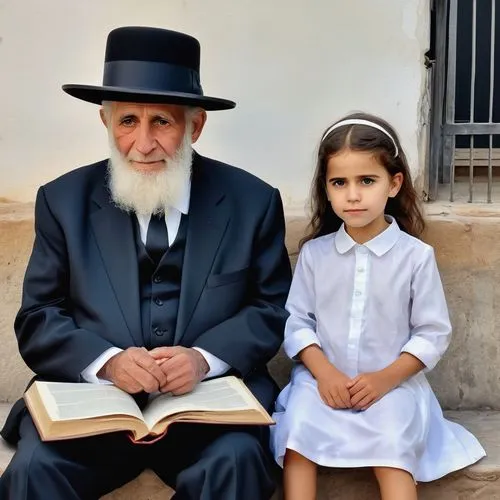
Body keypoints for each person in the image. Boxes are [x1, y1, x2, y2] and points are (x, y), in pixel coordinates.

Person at [0, 26, 292, 500]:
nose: (142, 143)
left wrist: (203, 359)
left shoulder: (252, 201)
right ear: (105, 122)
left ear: (195, 126)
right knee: (34, 469)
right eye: (128, 121)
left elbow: (271, 307)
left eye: (161, 121)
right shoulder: (61, 200)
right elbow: (37, 317)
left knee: (237, 463)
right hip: (94, 410)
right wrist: (108, 362)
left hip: (207, 413)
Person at [270, 112, 486, 500]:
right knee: (298, 436)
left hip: (392, 386)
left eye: (366, 181)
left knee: (391, 445)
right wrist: (324, 374)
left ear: (393, 183)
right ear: (327, 188)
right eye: (340, 182)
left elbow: (432, 332)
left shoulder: (415, 257)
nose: (353, 195)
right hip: (321, 382)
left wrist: (385, 379)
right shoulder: (316, 255)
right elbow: (297, 321)